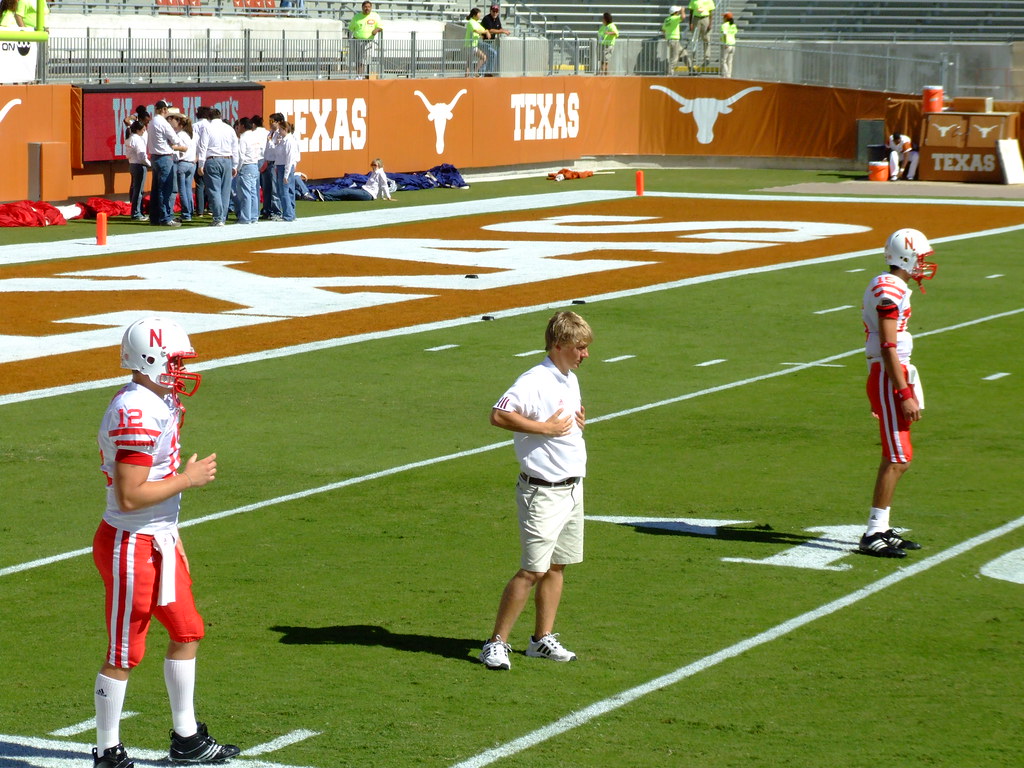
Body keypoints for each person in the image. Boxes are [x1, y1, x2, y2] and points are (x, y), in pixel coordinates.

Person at [92, 316, 240, 768]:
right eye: (174, 361)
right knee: (125, 651)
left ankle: (186, 737)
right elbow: (131, 495)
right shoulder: (135, 410)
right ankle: (107, 749)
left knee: (187, 629)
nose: (180, 369)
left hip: (158, 538)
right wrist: (187, 480)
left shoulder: (159, 400)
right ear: (150, 359)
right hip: (129, 542)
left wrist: (172, 535)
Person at [479, 311, 592, 671]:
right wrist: (543, 428)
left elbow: (563, 423)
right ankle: (495, 643)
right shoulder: (534, 380)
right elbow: (499, 415)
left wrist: (576, 426)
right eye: (580, 347)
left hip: (572, 488)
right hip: (542, 491)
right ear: (558, 345)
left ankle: (541, 639)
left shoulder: (567, 377)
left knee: (557, 566)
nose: (585, 354)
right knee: (532, 571)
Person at [858, 229, 937, 558]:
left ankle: (882, 526)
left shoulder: (894, 286)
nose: (923, 263)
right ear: (906, 256)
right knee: (898, 457)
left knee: (897, 455)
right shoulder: (888, 288)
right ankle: (873, 532)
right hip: (889, 375)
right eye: (920, 257)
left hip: (894, 373)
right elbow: (889, 345)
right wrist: (903, 391)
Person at [196, 107, 239, 227]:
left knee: (214, 190)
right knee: (225, 191)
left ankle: (218, 217)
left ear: (209, 117)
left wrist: (201, 164)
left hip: (212, 159)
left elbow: (203, 147)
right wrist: (235, 165)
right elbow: (235, 147)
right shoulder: (229, 128)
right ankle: (222, 218)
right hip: (227, 159)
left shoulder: (207, 128)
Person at [146, 100, 185, 227]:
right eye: (166, 109)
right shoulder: (163, 123)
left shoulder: (152, 122)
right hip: (165, 157)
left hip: (155, 156)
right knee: (165, 189)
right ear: (163, 110)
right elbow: (176, 139)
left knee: (156, 189)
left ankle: (155, 217)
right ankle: (166, 218)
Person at [315, 158, 394, 201]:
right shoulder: (374, 173)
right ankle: (325, 198)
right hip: (365, 191)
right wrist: (381, 197)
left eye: (375, 165)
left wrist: (388, 197)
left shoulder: (381, 173)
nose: (373, 166)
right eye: (372, 164)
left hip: (368, 194)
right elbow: (378, 187)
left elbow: (384, 185)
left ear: (379, 165)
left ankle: (324, 194)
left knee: (346, 191)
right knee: (346, 196)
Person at [168, 112, 196, 223]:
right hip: (191, 163)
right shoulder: (191, 135)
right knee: (188, 189)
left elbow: (182, 148)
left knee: (182, 190)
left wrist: (173, 147)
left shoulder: (180, 135)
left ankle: (186, 213)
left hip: (182, 163)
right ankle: (190, 211)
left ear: (180, 124)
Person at [235, 117, 262, 225]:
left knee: (245, 193)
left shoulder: (243, 138)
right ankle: (254, 216)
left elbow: (241, 156)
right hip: (254, 164)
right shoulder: (255, 136)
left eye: (239, 125)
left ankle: (246, 218)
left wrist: (238, 168)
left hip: (246, 165)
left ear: (243, 126)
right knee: (253, 192)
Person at [259, 113, 285, 220]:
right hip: (268, 162)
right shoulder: (271, 132)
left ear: (278, 123)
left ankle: (277, 211)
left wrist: (269, 141)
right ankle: (267, 210)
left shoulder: (280, 134)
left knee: (275, 190)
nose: (270, 124)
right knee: (266, 189)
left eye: (272, 121)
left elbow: (276, 149)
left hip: (274, 163)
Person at [348, 1, 383, 78]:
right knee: (357, 59)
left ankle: (360, 75)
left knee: (363, 59)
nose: (367, 8)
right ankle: (358, 75)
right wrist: (349, 40)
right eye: (365, 7)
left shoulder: (375, 16)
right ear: (362, 7)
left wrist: (376, 30)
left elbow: (380, 26)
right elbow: (350, 29)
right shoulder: (356, 17)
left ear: (371, 7)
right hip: (356, 40)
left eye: (368, 7)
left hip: (368, 42)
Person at [124, 121, 150, 221]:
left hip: (132, 164)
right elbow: (141, 155)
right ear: (138, 130)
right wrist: (149, 163)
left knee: (136, 190)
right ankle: (137, 213)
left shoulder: (130, 138)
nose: (144, 131)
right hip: (139, 165)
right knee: (138, 191)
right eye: (143, 129)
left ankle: (138, 212)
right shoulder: (137, 139)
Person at [275, 120, 301, 222]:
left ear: (285, 129)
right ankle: (290, 213)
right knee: (285, 191)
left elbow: (289, 159)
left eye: (280, 129)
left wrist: (286, 174)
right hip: (281, 166)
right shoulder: (283, 140)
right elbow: (278, 153)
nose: (279, 131)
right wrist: (277, 143)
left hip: (285, 167)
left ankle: (288, 215)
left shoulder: (289, 141)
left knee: (284, 191)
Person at [191, 106, 212, 218]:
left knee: (199, 184)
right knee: (210, 184)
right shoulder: (210, 126)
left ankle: (200, 210)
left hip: (196, 156)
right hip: (209, 156)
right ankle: (211, 208)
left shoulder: (194, 126)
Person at [479, 5, 510, 76]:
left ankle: (482, 72)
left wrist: (505, 31)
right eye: (493, 11)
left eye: (496, 11)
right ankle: (487, 72)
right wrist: (503, 32)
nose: (495, 13)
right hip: (482, 41)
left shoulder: (497, 18)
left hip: (489, 42)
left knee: (486, 56)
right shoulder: (487, 18)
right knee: (493, 53)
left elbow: (499, 28)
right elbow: (491, 30)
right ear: (490, 11)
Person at [662, 5, 689, 76]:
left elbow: (663, 30)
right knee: (674, 58)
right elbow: (683, 17)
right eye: (678, 11)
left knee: (685, 54)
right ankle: (670, 73)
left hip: (671, 40)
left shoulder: (667, 19)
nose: (679, 12)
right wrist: (683, 10)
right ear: (675, 12)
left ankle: (691, 69)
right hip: (674, 40)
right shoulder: (674, 18)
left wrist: (666, 38)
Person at [687, 0, 715, 68]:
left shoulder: (709, 1)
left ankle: (707, 57)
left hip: (705, 18)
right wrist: (690, 23)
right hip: (696, 18)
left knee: (706, 38)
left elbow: (711, 13)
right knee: (695, 39)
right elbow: (691, 12)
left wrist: (710, 23)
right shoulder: (694, 1)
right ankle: (693, 58)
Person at [465, 8, 491, 76]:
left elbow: (482, 30)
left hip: (474, 45)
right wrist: (486, 32)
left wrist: (486, 32)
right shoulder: (471, 22)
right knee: (469, 62)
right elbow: (476, 31)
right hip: (470, 45)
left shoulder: (476, 23)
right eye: (479, 14)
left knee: (483, 57)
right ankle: (466, 77)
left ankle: (475, 71)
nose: (480, 16)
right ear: (474, 15)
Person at [720, 11, 737, 78]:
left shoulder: (724, 25)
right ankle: (729, 75)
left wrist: (725, 43)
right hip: (733, 44)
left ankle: (726, 75)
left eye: (724, 17)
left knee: (723, 61)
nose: (723, 18)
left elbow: (725, 34)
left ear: (726, 18)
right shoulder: (733, 25)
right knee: (729, 61)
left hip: (727, 44)